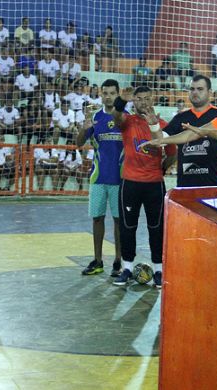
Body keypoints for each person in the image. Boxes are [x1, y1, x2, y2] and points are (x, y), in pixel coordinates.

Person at [111, 86, 175, 288]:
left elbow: (172, 152)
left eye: (147, 98)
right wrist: (121, 99)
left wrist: (161, 168)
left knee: (156, 228)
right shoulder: (128, 122)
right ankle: (127, 268)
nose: (143, 102)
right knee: (127, 226)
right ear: (134, 101)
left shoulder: (162, 124)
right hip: (130, 183)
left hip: (154, 184)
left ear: (152, 99)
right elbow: (115, 115)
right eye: (138, 99)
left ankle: (158, 270)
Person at [76, 79, 123, 277]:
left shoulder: (124, 118)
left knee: (119, 222)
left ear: (118, 94)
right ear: (101, 95)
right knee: (97, 219)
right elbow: (79, 143)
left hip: (121, 179)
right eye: (105, 93)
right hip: (98, 178)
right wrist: (84, 128)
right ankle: (97, 260)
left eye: (112, 93)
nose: (108, 96)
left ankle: (119, 262)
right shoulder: (94, 118)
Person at [141, 75, 217, 187]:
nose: (195, 92)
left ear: (210, 92)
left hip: (213, 185)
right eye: (192, 89)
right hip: (185, 185)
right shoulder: (180, 118)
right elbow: (161, 140)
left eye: (200, 89)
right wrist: (154, 126)